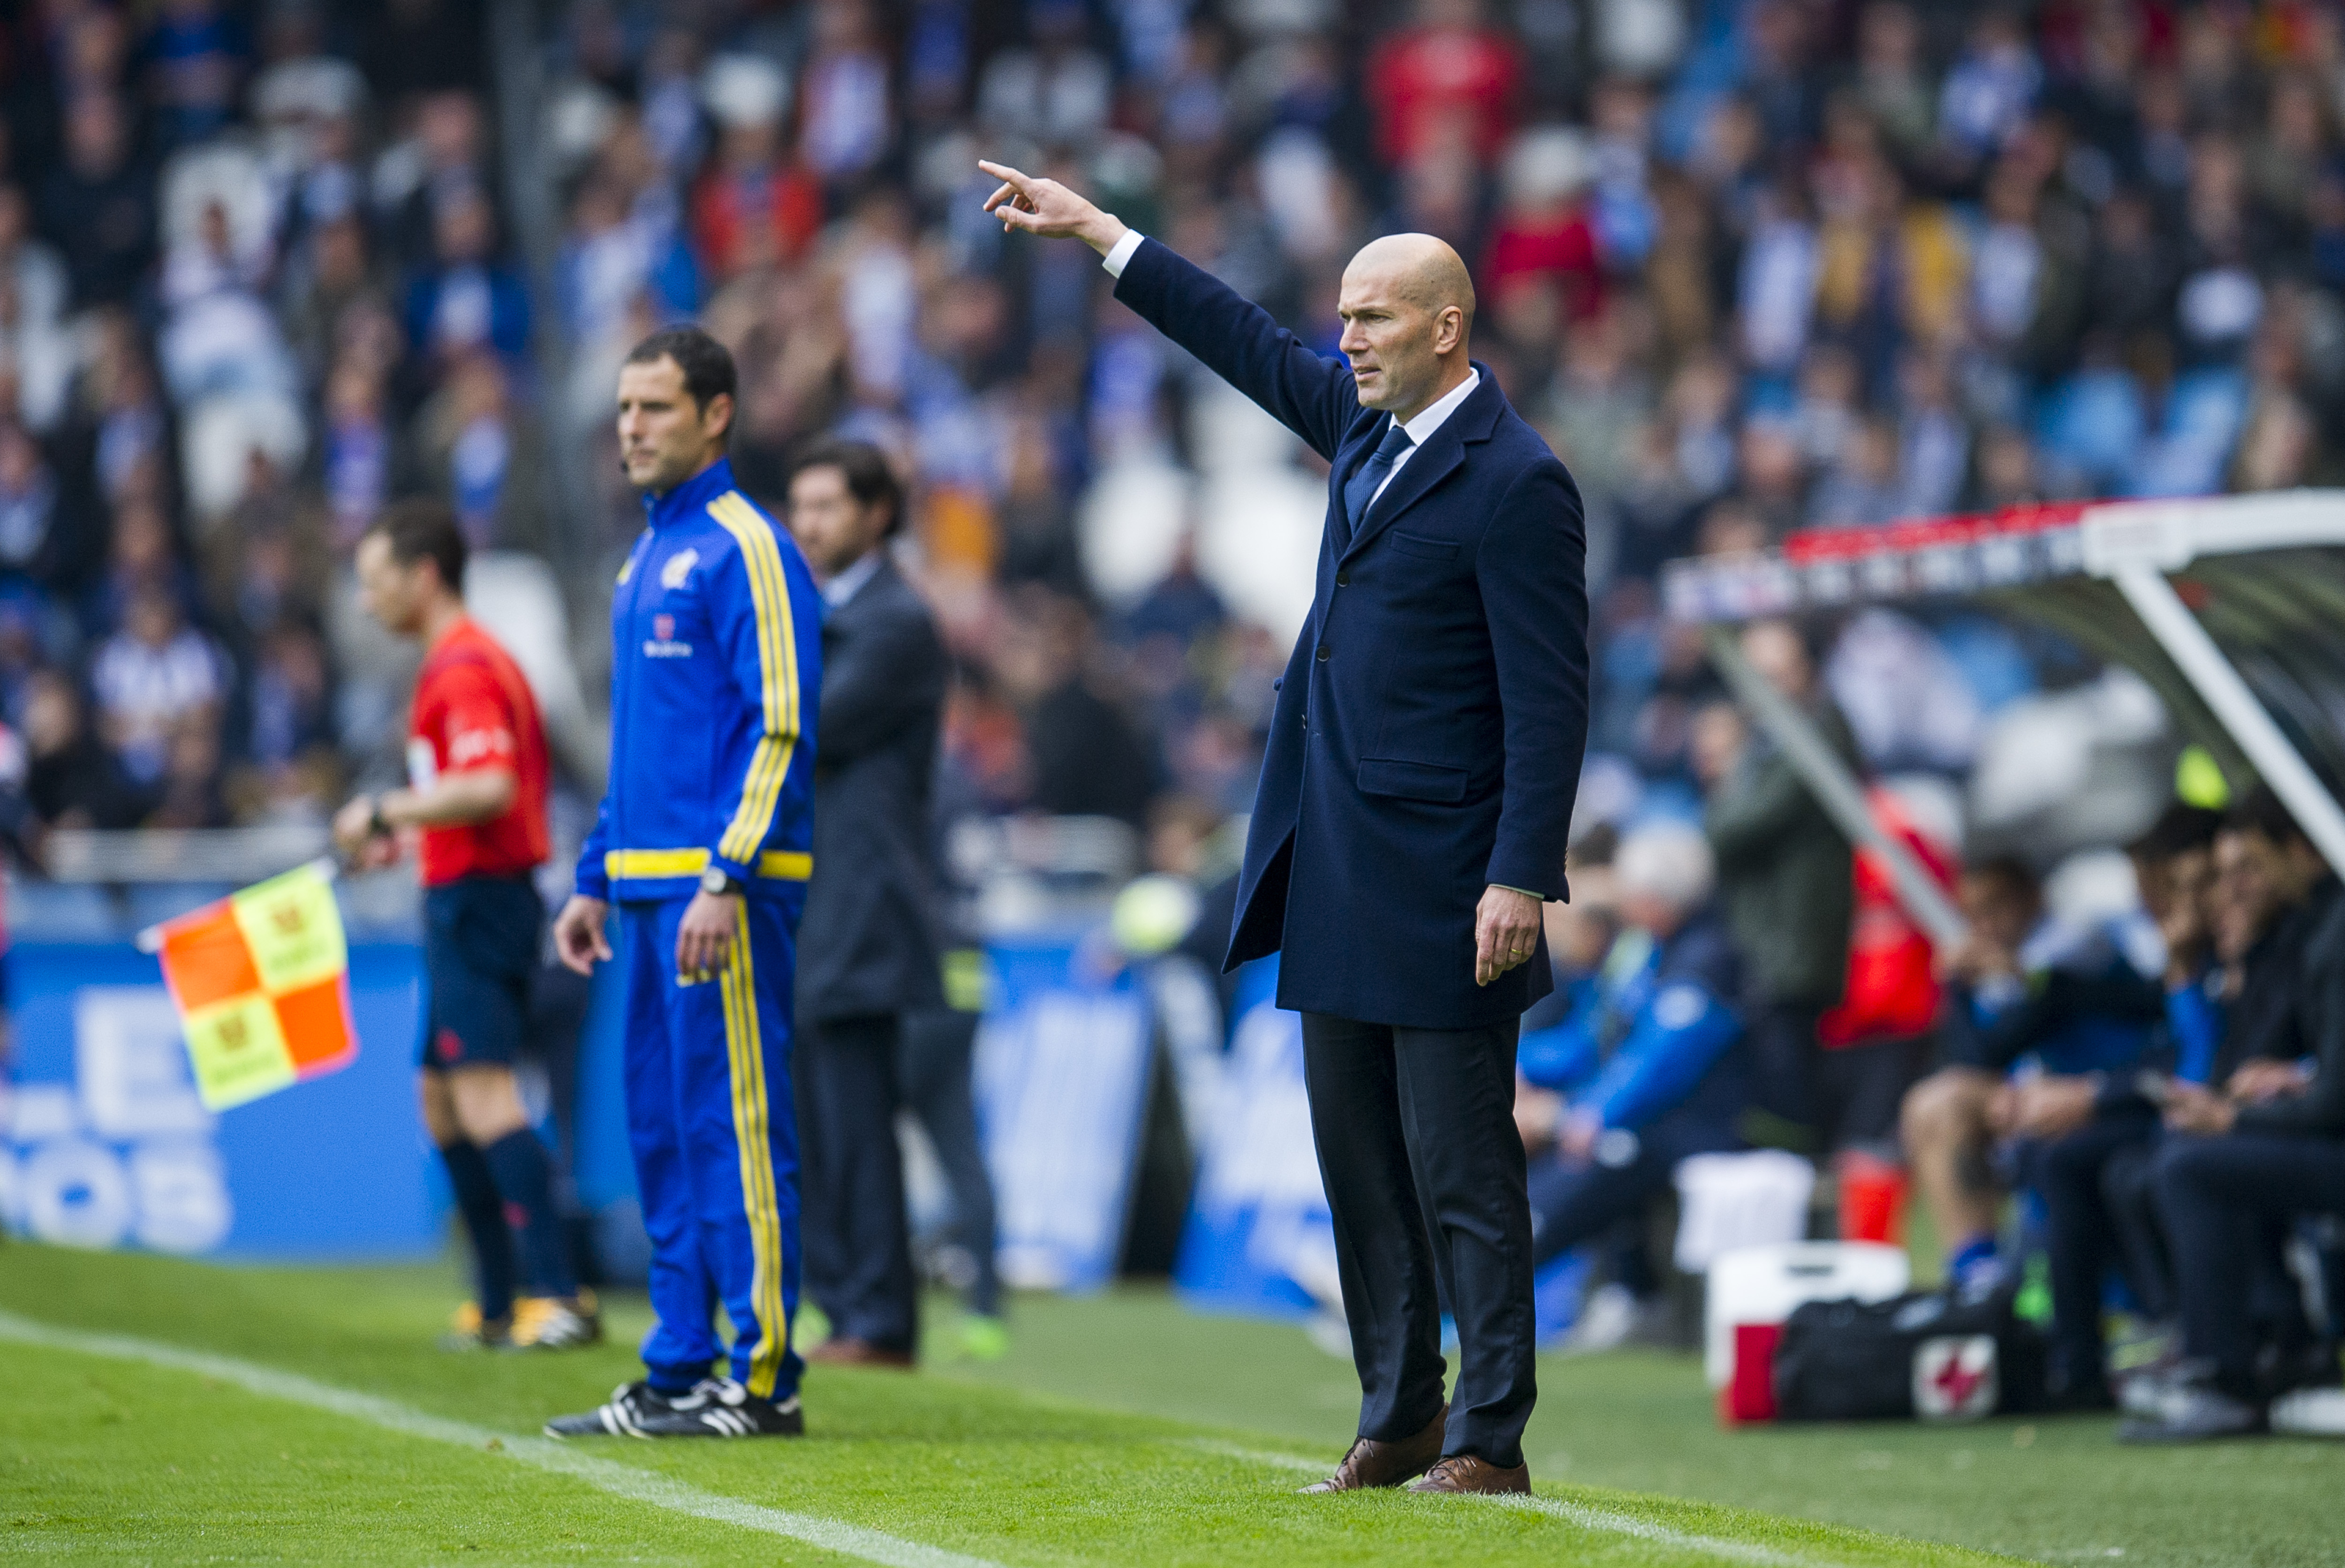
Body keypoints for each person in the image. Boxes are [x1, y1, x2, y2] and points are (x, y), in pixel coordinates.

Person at [981, 158, 1589, 1496]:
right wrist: (1104, 236)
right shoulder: (1366, 432)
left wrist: (1519, 877)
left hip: (1447, 882)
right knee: (1360, 1166)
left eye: (1374, 316)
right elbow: (1242, 339)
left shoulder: (1520, 481)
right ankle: (1400, 1415)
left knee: (1463, 1170)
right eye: (1345, 315)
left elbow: (1550, 703)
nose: (1346, 338)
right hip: (1334, 864)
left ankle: (1492, 1436)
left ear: (1449, 326)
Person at [543, 326, 823, 1440]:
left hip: (724, 898)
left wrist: (726, 871)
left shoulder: (746, 545)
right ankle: (675, 1365)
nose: (631, 428)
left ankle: (761, 1383)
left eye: (654, 408)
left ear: (715, 415)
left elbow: (784, 724)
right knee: (660, 1127)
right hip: (650, 888)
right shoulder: (644, 556)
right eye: (622, 410)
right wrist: (593, 875)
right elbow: (639, 751)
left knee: (734, 1130)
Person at [329, 498, 593, 1351]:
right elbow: (469, 797)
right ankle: (495, 1298)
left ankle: (554, 1292)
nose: (367, 602)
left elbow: (491, 786)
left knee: (481, 1091)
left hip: (484, 897)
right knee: (441, 1097)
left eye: (375, 582)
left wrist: (383, 808)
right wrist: (406, 832)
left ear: (423, 574)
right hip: (465, 888)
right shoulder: (460, 661)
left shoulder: (464, 666)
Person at [784, 437, 946, 1370]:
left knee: (855, 1113)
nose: (809, 525)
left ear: (877, 515)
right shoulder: (836, 613)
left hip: (863, 899)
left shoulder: (892, 623)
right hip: (823, 898)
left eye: (829, 507)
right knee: (823, 1108)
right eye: (800, 507)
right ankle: (849, 1304)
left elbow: (807, 725)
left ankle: (880, 1319)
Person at [1513, 823, 1750, 1330]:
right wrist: (1510, 1063)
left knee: (1589, 1166)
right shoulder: (1642, 950)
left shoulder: (1707, 959)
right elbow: (1596, 1037)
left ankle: (1450, 1301)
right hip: (1640, 1120)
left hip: (1691, 1127)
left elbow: (1661, 1062)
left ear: (1656, 898)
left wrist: (1593, 1113)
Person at [1899, 854, 2164, 1294]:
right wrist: (1959, 989)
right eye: (1974, 915)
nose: (1986, 925)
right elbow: (1975, 1056)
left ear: (2033, 897)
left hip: (2120, 1092)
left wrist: (1991, 981)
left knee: (1949, 1103)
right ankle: (1977, 1273)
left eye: (1996, 907)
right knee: (1932, 1105)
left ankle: (1996, 1281)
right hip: (2054, 1100)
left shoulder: (2076, 942)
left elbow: (2037, 1016)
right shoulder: (2013, 967)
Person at [1702, 619, 1855, 1152]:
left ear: (1805, 670)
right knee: (1779, 1068)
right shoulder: (1775, 736)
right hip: (1771, 939)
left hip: (1795, 940)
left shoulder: (1812, 732)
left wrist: (1727, 772)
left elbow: (1738, 826)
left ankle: (1816, 1178)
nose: (1759, 687)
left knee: (1797, 1076)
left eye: (1774, 672)